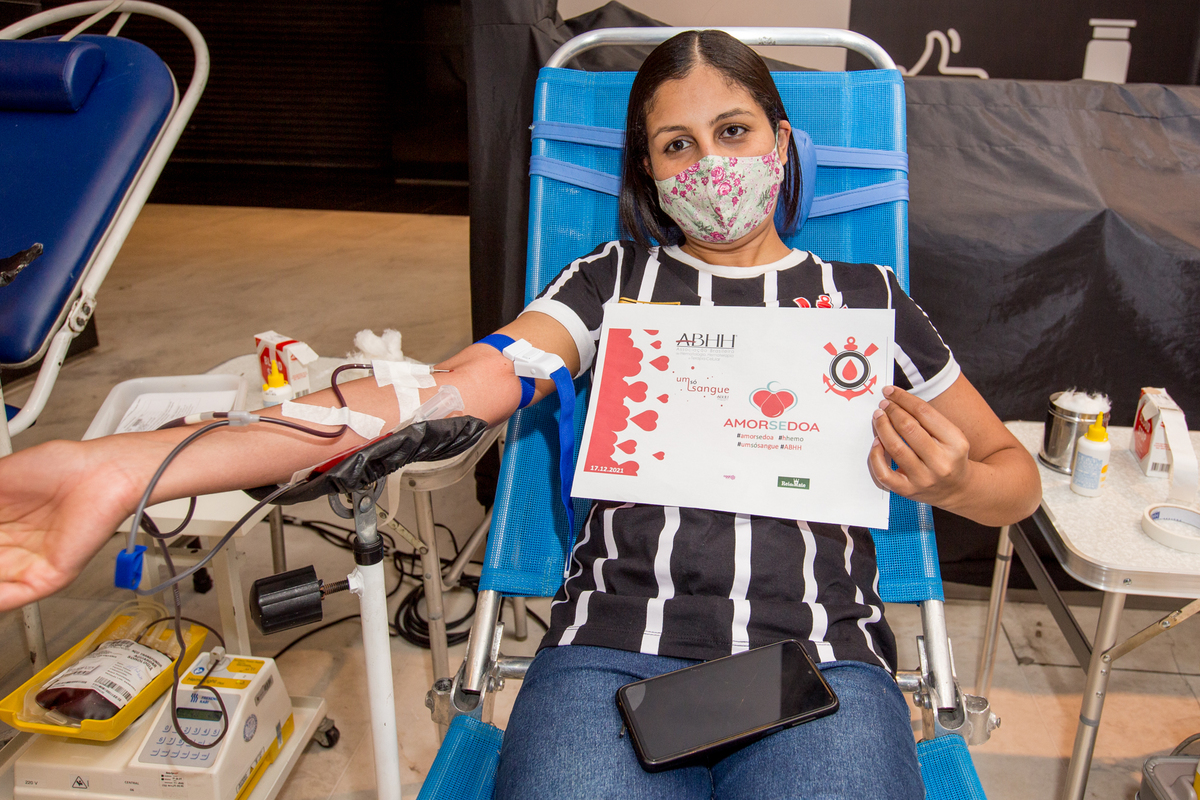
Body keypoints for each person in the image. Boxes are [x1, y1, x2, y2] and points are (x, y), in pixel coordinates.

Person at [0, 29, 1039, 800]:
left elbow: (1014, 480)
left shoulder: (865, 302)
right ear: (648, 174)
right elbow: (441, 389)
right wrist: (129, 465)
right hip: (611, 652)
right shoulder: (609, 285)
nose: (710, 166)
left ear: (780, 140)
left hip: (817, 654)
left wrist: (955, 479)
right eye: (676, 146)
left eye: (732, 131)